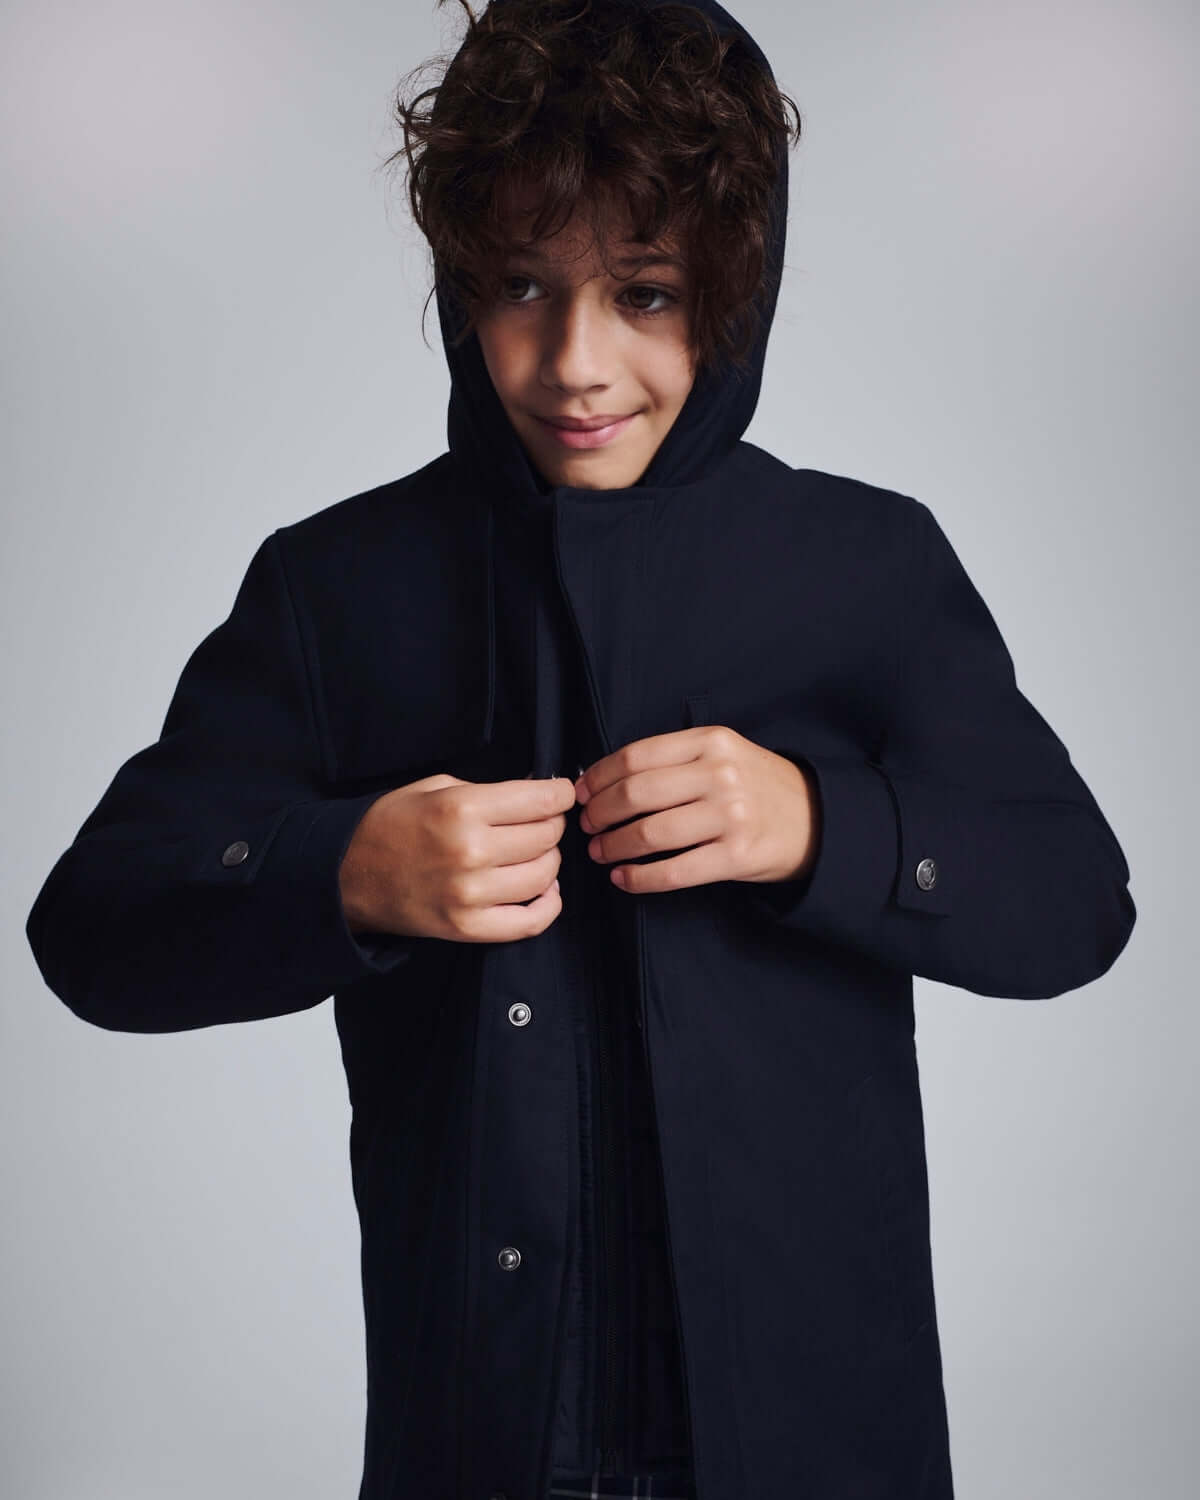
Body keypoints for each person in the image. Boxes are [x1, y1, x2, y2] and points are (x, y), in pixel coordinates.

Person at [25, 2, 1137, 1498]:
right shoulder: (336, 586)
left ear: (736, 290)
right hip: (482, 1433)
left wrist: (821, 826)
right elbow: (92, 930)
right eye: (521, 288)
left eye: (648, 294)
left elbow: (1078, 903)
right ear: (459, 282)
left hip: (812, 1432)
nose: (574, 363)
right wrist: (341, 869)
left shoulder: (867, 566)